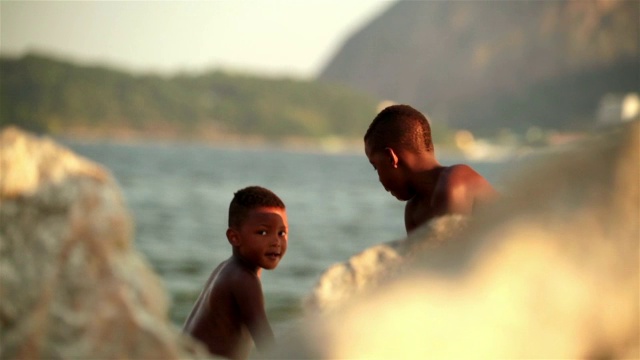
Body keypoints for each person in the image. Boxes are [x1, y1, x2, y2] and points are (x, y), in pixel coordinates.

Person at [183, 186, 288, 359]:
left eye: (281, 233)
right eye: (263, 232)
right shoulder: (244, 279)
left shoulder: (227, 268)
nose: (276, 241)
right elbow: (267, 344)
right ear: (234, 237)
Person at [364, 104, 498, 233]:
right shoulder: (413, 210)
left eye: (376, 166)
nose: (379, 179)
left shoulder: (455, 183)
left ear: (391, 158)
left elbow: (452, 253)